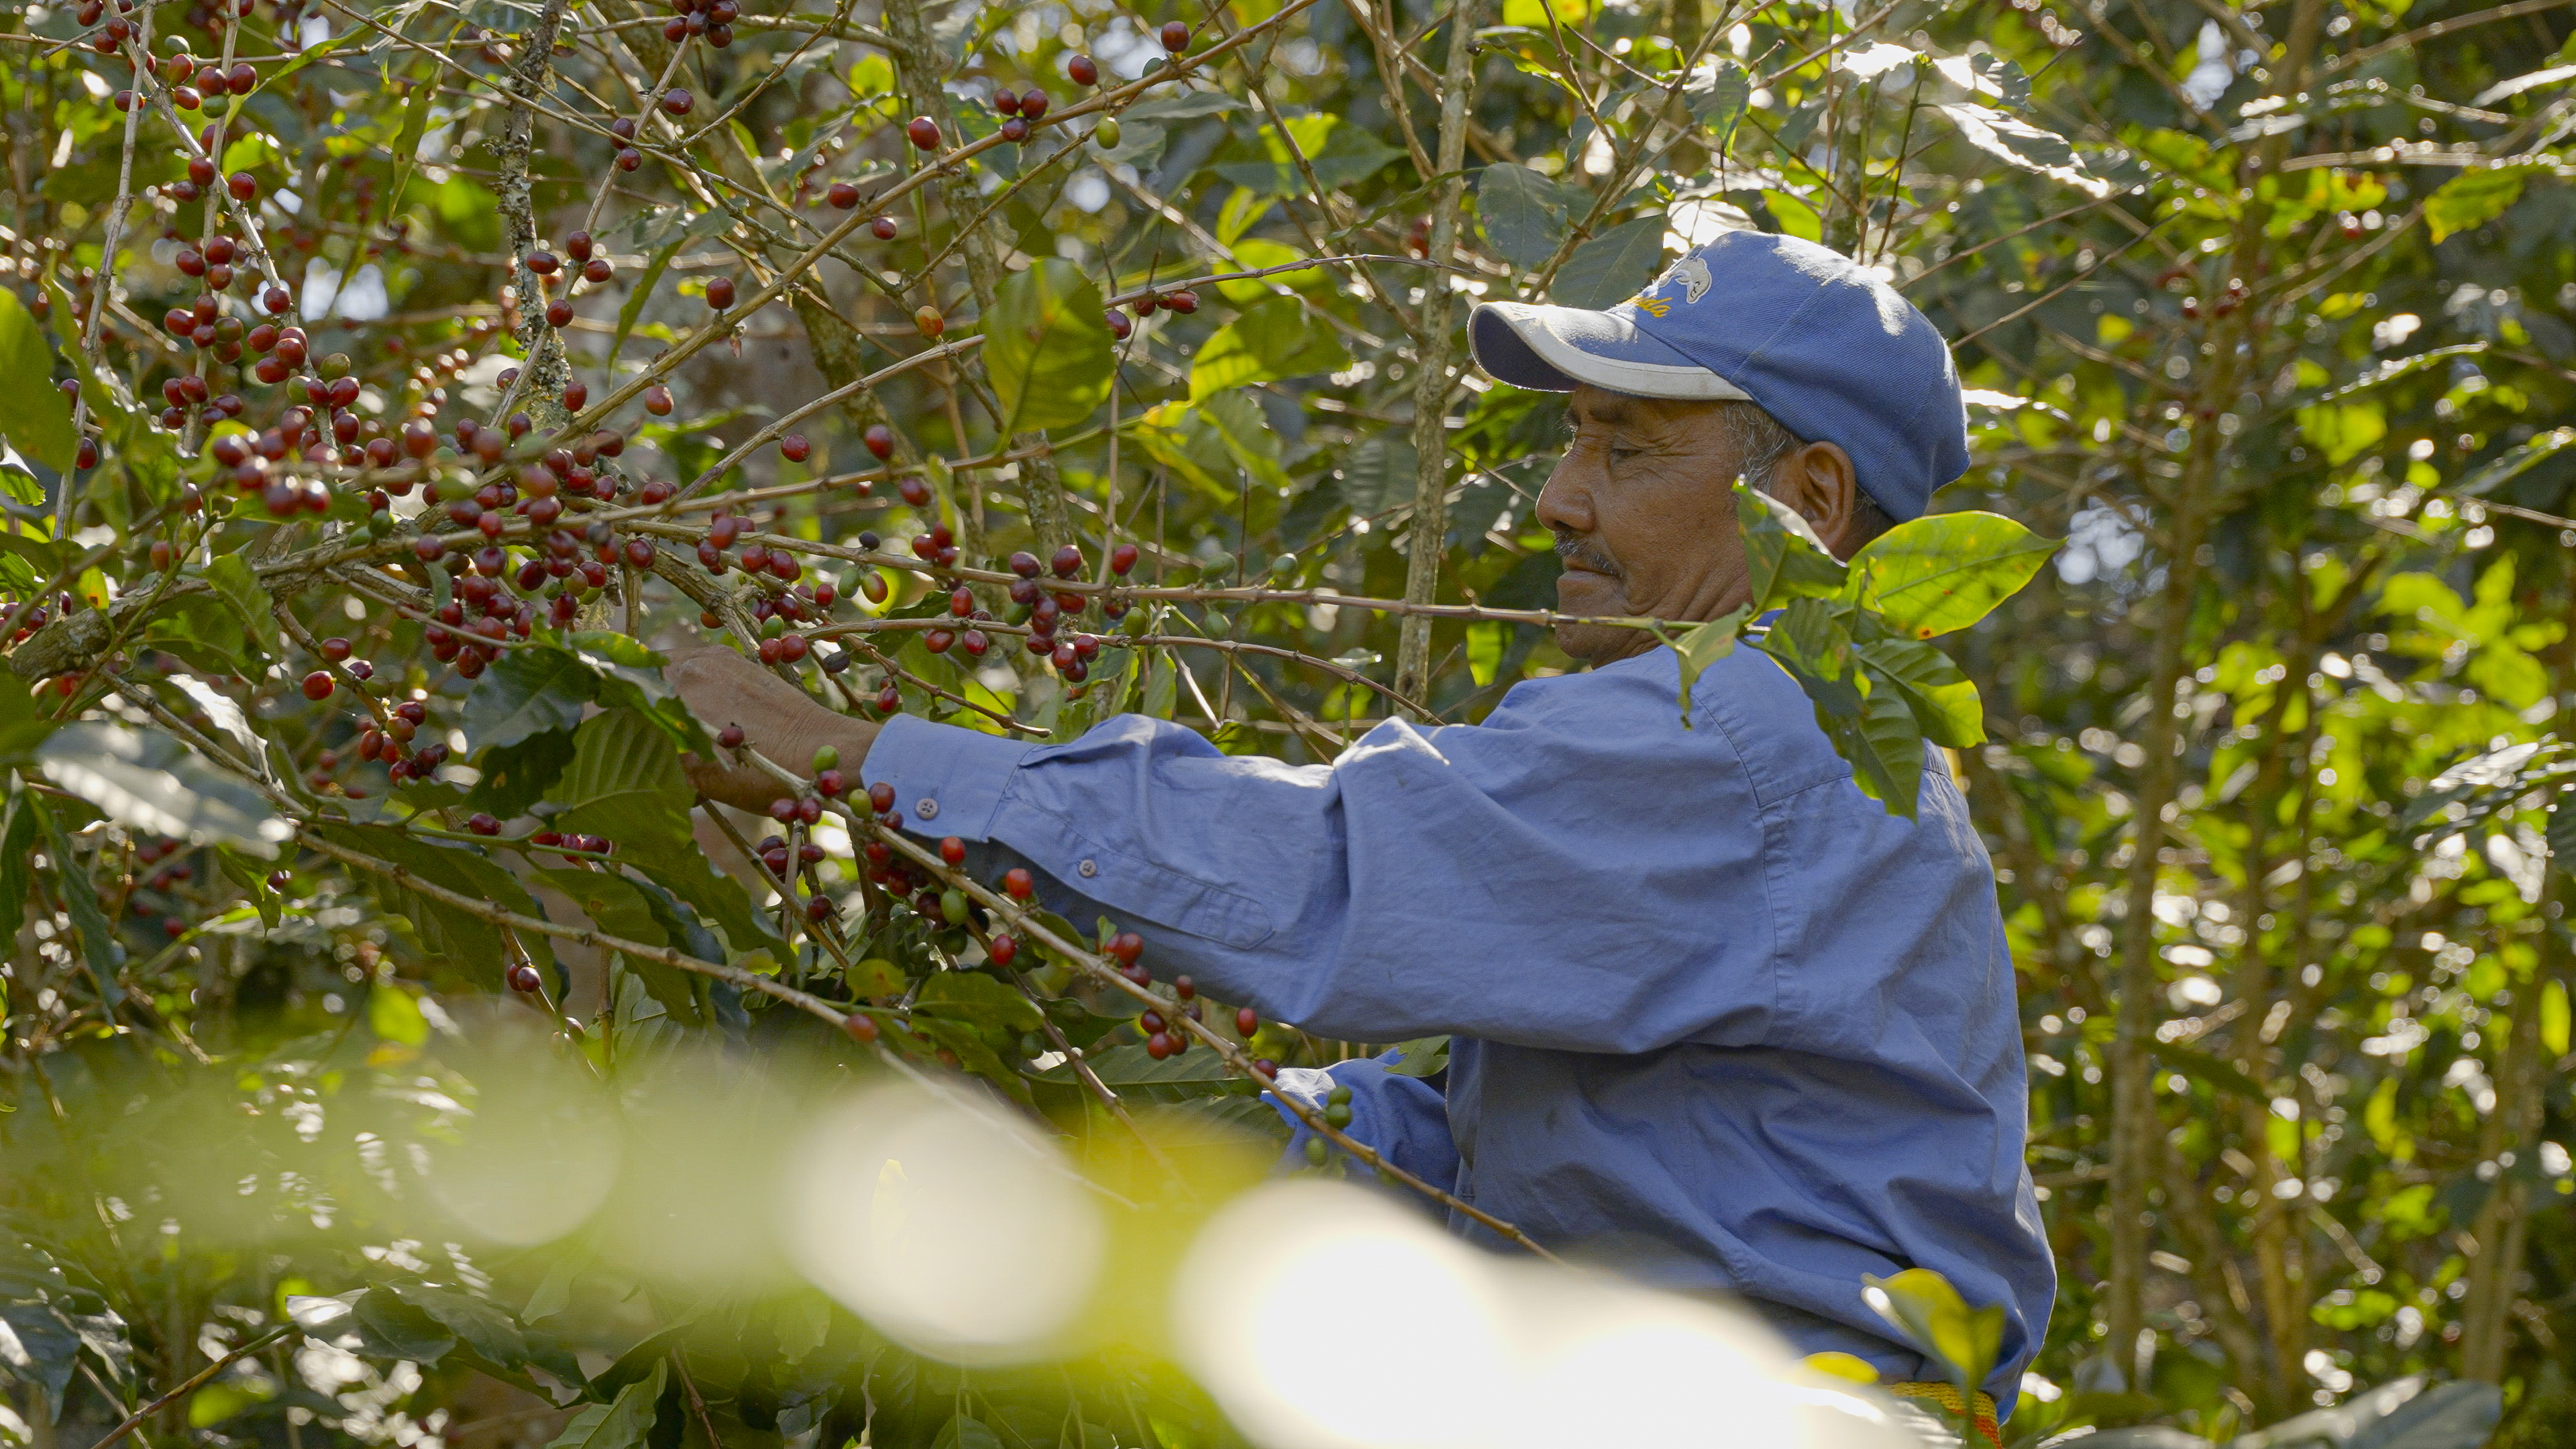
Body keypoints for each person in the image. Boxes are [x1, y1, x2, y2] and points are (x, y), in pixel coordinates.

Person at [668, 230, 2053, 1434]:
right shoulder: (1820, 754)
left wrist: (857, 759)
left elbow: (1322, 868)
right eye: (1573, 440)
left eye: (1626, 450)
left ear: (1807, 504)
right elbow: (1494, 1141)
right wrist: (1118, 1109)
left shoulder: (1750, 724)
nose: (1559, 500)